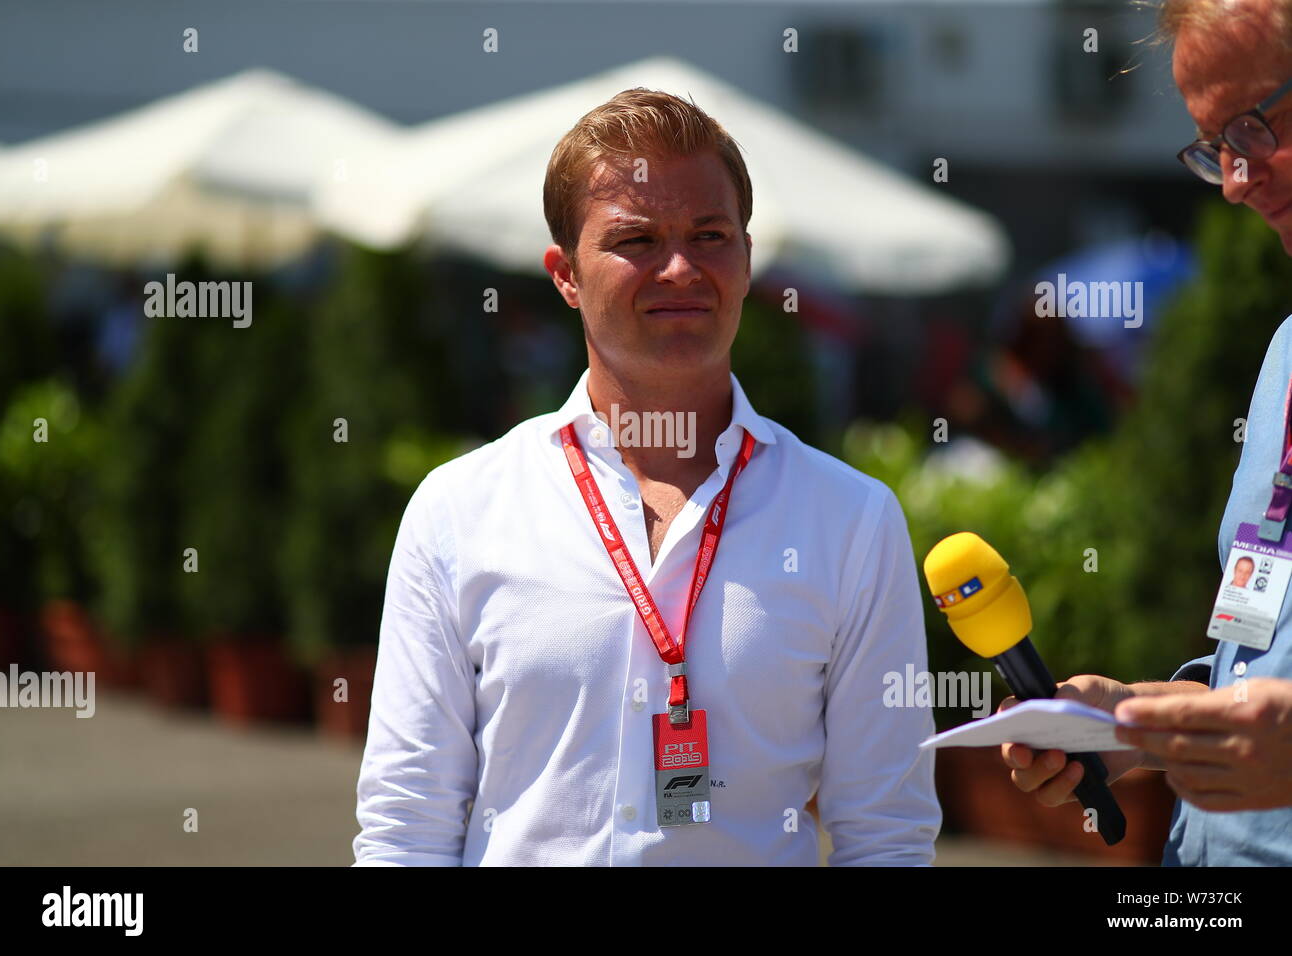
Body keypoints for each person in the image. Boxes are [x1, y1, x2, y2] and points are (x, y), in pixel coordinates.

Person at [351, 88, 941, 865]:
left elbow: (886, 833)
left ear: (748, 257)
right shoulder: (461, 509)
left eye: (709, 234)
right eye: (636, 240)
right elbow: (407, 826)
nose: (680, 267)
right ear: (564, 275)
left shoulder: (851, 519)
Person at [1001, 0, 1292, 866]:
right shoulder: (1284, 352)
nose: (1237, 181)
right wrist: (1138, 719)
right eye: (1215, 148)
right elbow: (1260, 654)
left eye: (1252, 128)